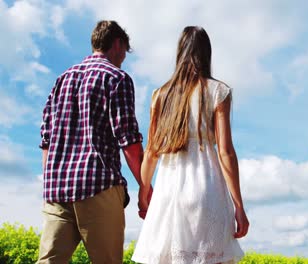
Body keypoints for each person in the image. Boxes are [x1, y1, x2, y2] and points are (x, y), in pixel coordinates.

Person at [132, 26, 249, 264]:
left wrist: (144, 192)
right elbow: (226, 152)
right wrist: (238, 205)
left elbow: (152, 151)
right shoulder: (219, 91)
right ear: (207, 53)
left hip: (169, 191)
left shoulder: (160, 94)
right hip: (207, 189)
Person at [37, 20, 146, 263]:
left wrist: (49, 181)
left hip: (57, 190)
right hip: (98, 187)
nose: (123, 59)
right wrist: (145, 185)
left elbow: (46, 139)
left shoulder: (62, 79)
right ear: (118, 44)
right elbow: (128, 139)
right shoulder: (116, 78)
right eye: (125, 53)